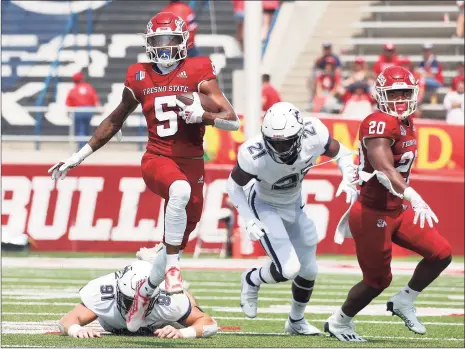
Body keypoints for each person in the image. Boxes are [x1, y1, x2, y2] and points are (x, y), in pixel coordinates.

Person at [48, 12, 239, 333]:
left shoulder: (198, 69)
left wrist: (202, 114)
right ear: (148, 44)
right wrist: (78, 156)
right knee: (178, 194)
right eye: (157, 42)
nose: (164, 49)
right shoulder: (139, 75)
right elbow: (115, 119)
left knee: (175, 240)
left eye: (170, 41)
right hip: (157, 157)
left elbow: (232, 119)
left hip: (193, 162)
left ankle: (146, 293)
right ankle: (174, 273)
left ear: (184, 42)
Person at [325, 65, 452, 342]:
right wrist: (413, 195)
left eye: (405, 92)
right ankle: (339, 321)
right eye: (394, 94)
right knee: (378, 281)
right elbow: (384, 169)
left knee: (441, 253)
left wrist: (405, 198)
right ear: (381, 95)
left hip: (396, 208)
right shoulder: (378, 122)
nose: (400, 99)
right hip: (372, 213)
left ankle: (405, 300)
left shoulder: (406, 121)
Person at [226, 102, 357, 335]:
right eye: (275, 142)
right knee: (289, 269)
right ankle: (252, 278)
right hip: (265, 205)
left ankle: (296, 321)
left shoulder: (313, 132)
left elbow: (343, 152)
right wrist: (248, 219)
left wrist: (347, 175)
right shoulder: (253, 153)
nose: (281, 147)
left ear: (299, 133)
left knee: (309, 270)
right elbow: (234, 186)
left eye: (286, 140)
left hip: (295, 203)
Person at [58, 256, 217, 339]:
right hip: (112, 324)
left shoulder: (167, 299)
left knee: (185, 298)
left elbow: (209, 323)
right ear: (118, 292)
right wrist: (76, 329)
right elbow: (67, 320)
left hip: (161, 317)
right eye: (130, 301)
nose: (137, 307)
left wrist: (184, 333)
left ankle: (158, 266)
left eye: (144, 301)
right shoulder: (105, 291)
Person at [65, 72, 100, 150]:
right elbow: (96, 101)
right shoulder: (89, 87)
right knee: (86, 128)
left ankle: (82, 148)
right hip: (88, 110)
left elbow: (68, 103)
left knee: (80, 129)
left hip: (77, 111)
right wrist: (99, 109)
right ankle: (87, 147)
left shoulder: (73, 90)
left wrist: (68, 113)